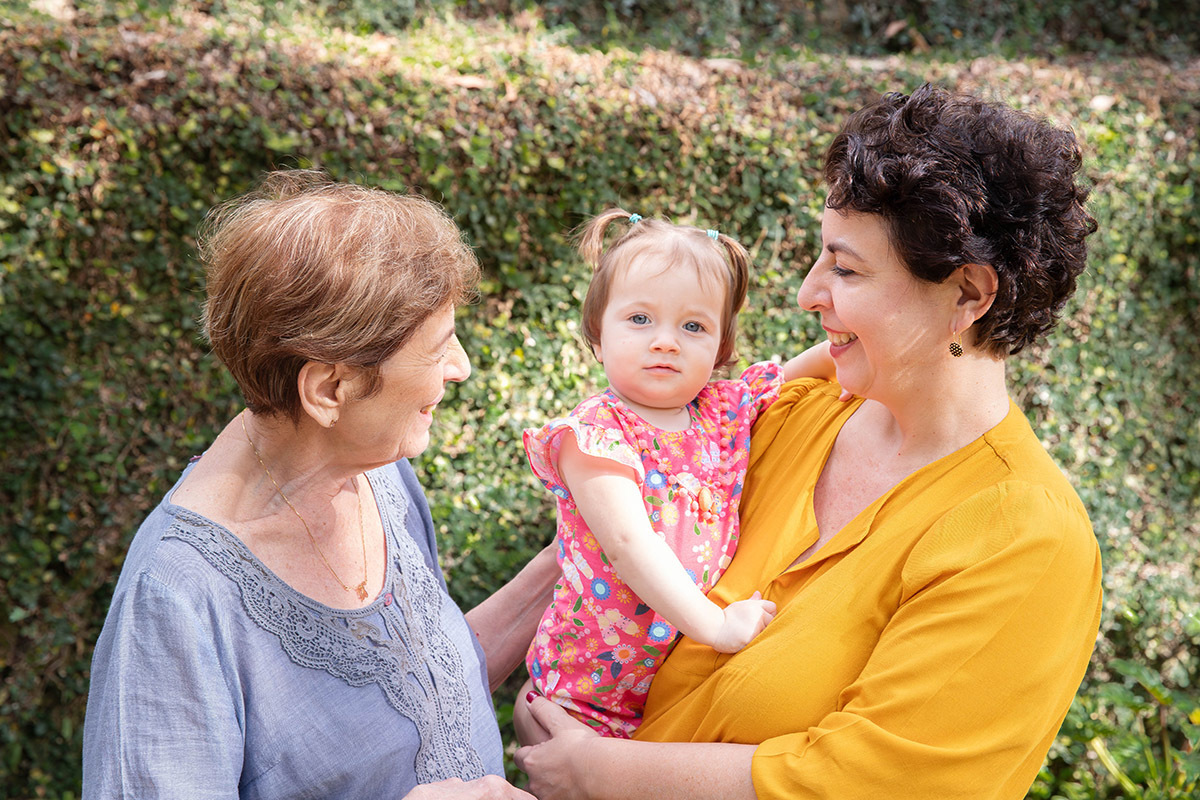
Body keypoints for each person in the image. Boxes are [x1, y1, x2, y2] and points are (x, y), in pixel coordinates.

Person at [514, 84, 1104, 800]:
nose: (806, 291)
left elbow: (877, 783)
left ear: (970, 295)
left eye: (846, 269)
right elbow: (598, 546)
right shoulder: (790, 414)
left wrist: (598, 771)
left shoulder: (1025, 539)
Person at [82, 170, 557, 799]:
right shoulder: (177, 599)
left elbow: (426, 685)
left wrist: (574, 558)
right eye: (438, 348)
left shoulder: (377, 472)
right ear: (330, 389)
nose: (461, 367)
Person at [518, 209, 836, 739]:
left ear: (720, 350)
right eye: (640, 319)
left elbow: (816, 361)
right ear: (597, 336)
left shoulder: (723, 411)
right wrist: (714, 626)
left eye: (693, 326)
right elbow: (627, 544)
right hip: (583, 694)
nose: (666, 341)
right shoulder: (597, 434)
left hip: (671, 690)